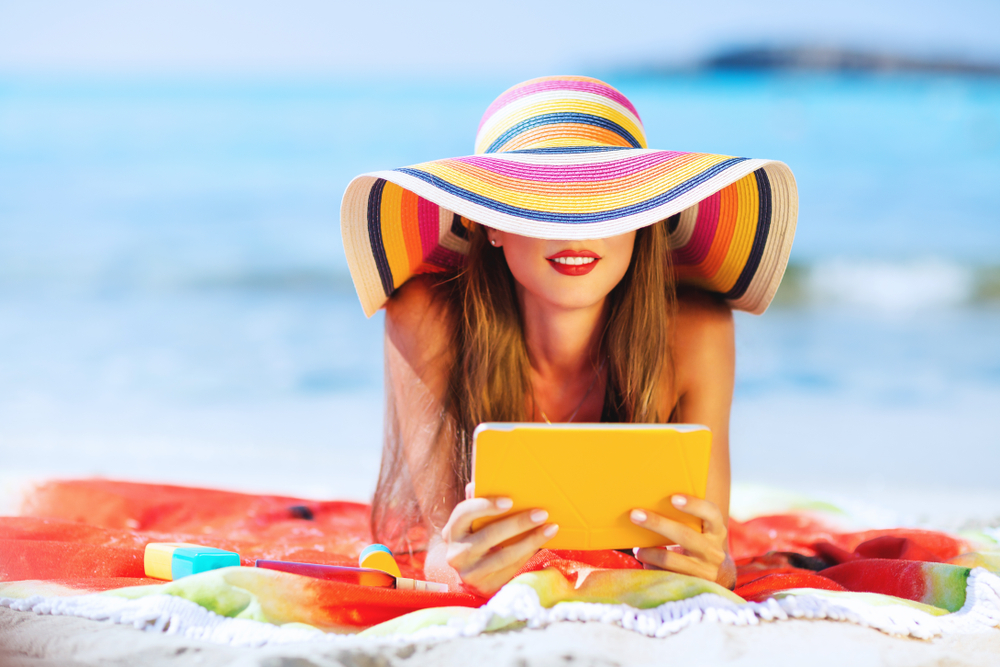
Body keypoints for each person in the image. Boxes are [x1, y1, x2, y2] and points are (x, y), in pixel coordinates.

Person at [339, 76, 798, 597]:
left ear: (643, 222)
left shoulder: (696, 331)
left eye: (606, 199)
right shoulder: (427, 316)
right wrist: (466, 566)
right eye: (540, 202)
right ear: (489, 224)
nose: (575, 228)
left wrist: (711, 567)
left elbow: (712, 550)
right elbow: (444, 550)